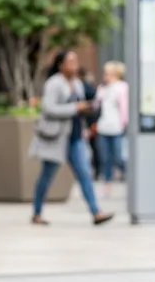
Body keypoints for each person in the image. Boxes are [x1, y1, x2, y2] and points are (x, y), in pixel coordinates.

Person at [30, 50, 113, 226]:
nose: (74, 64)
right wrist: (76, 107)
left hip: (75, 138)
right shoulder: (54, 83)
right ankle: (36, 212)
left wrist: (88, 109)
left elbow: (82, 107)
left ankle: (96, 212)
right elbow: (48, 108)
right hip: (57, 138)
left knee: (85, 174)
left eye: (76, 61)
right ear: (61, 65)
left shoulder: (78, 83)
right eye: (70, 61)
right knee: (46, 176)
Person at [94, 61, 128, 196]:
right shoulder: (103, 89)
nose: (105, 76)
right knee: (105, 158)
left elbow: (124, 108)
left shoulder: (122, 87)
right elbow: (97, 107)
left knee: (119, 157)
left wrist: (125, 124)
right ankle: (107, 185)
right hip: (103, 127)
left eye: (107, 74)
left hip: (117, 127)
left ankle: (131, 176)